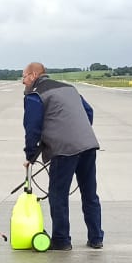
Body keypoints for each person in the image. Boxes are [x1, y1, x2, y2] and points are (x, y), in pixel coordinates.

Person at [21, 62, 102, 250]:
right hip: (88, 144)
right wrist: (80, 133)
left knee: (58, 195)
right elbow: (88, 111)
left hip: (64, 149)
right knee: (89, 193)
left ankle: (61, 240)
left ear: (33, 75)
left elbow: (32, 127)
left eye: (24, 76)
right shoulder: (69, 88)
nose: (22, 81)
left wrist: (30, 155)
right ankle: (96, 238)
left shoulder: (35, 94)